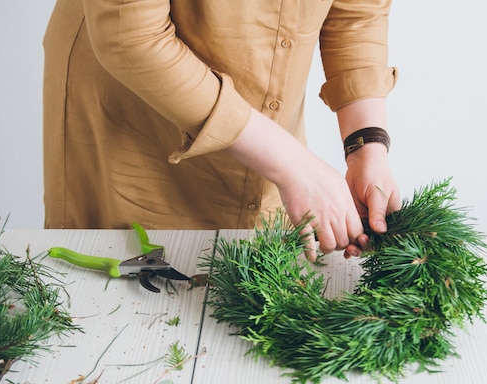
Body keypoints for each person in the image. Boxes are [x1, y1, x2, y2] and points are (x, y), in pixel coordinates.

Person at [42, 0, 402, 260]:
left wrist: (366, 145)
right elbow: (131, 35)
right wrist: (293, 164)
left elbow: (357, 13)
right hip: (136, 109)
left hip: (272, 119)